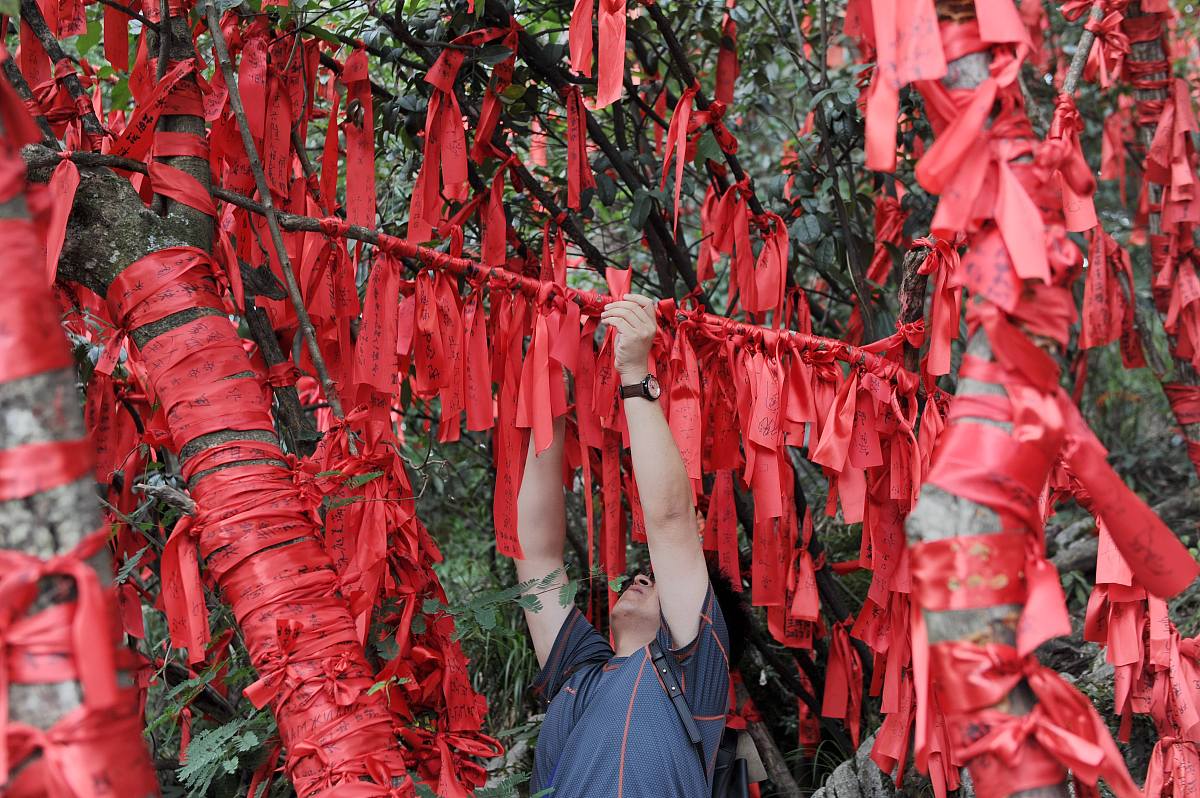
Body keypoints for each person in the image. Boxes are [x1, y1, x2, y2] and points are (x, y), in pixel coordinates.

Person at [515, 293, 746, 798]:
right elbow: (535, 553)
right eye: (647, 574)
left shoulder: (694, 669)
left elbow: (669, 522)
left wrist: (635, 372)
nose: (642, 576)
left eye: (656, 579)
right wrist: (545, 394)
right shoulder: (579, 669)